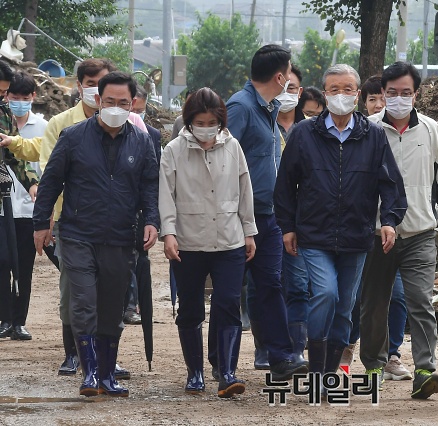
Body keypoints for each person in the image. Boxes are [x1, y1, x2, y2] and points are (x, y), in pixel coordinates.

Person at [1, 59, 142, 379]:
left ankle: (105, 361)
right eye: (91, 84)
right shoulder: (64, 126)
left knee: (110, 294)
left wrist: (150, 220)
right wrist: (46, 219)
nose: (100, 93)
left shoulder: (136, 130)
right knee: (76, 293)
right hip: (72, 223)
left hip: (117, 228)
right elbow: (51, 173)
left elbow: (146, 177)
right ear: (82, 87)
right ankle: (75, 356)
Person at [274, 64, 407, 389]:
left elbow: (390, 184)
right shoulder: (304, 134)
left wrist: (389, 221)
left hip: (356, 236)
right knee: (325, 293)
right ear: (324, 94)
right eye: (334, 90)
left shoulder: (373, 136)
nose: (341, 96)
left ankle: (328, 373)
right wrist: (288, 226)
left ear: (357, 95)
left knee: (345, 306)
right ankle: (317, 369)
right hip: (314, 235)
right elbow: (285, 185)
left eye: (347, 89)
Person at [32, 71, 159, 398]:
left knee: (112, 308)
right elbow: (51, 182)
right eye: (109, 101)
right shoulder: (73, 137)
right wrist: (41, 223)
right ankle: (89, 374)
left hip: (120, 237)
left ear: (132, 103)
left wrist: (151, 221)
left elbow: (149, 186)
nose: (116, 107)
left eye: (123, 103)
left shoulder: (142, 141)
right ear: (98, 100)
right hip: (78, 235)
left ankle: (106, 375)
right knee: (84, 303)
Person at [360, 62, 438, 399]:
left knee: (420, 301)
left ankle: (426, 369)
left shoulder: (430, 130)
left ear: (416, 94)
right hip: (374, 236)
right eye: (392, 93)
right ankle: (374, 365)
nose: (399, 99)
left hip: (419, 234)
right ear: (382, 94)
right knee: (374, 305)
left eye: (406, 93)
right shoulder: (368, 130)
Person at [160, 87, 256, 398]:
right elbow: (166, 195)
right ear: (189, 122)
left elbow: (245, 190)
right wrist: (169, 233)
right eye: (199, 123)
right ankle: (195, 373)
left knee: (228, 303)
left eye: (211, 122)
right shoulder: (174, 150)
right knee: (190, 307)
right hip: (188, 242)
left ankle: (227, 372)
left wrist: (249, 231)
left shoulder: (233, 147)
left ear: (220, 121)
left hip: (229, 240)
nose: (206, 128)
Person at [225, 44, 309, 381]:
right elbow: (221, 160)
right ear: (278, 77)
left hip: (268, 216)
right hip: (237, 217)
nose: (289, 79)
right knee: (232, 291)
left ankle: (280, 357)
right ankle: (224, 363)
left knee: (271, 285)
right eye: (288, 72)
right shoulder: (241, 107)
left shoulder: (268, 108)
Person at [342, 74, 413, 384]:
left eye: (385, 98)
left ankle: (392, 355)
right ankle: (347, 344)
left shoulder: (417, 132)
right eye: (373, 99)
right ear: (364, 101)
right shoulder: (360, 134)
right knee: (359, 296)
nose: (381, 104)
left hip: (395, 230)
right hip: (360, 232)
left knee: (395, 297)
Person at [0, 63, 40, 341]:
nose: (3, 98)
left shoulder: (5, 114)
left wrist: (32, 183)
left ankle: (15, 321)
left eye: (4, 93)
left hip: (15, 206)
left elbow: (14, 155)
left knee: (15, 261)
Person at [275, 63, 310, 364]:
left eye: (293, 87)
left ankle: (297, 349)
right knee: (268, 284)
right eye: (282, 86)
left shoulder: (311, 130)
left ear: (300, 93)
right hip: (264, 216)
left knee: (298, 286)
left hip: (300, 220)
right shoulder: (260, 123)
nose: (287, 93)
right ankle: (268, 347)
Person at [124, 85, 162, 326]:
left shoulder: (149, 134)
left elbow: (151, 178)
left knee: (138, 258)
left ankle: (133, 304)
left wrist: (152, 217)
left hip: (136, 210)